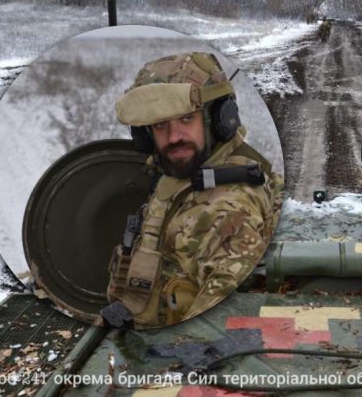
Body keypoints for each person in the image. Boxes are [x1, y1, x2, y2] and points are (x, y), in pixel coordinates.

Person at [103, 52, 283, 329]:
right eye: (160, 124)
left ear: (219, 118)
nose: (173, 137)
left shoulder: (223, 207)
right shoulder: (183, 175)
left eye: (186, 119)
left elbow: (216, 328)